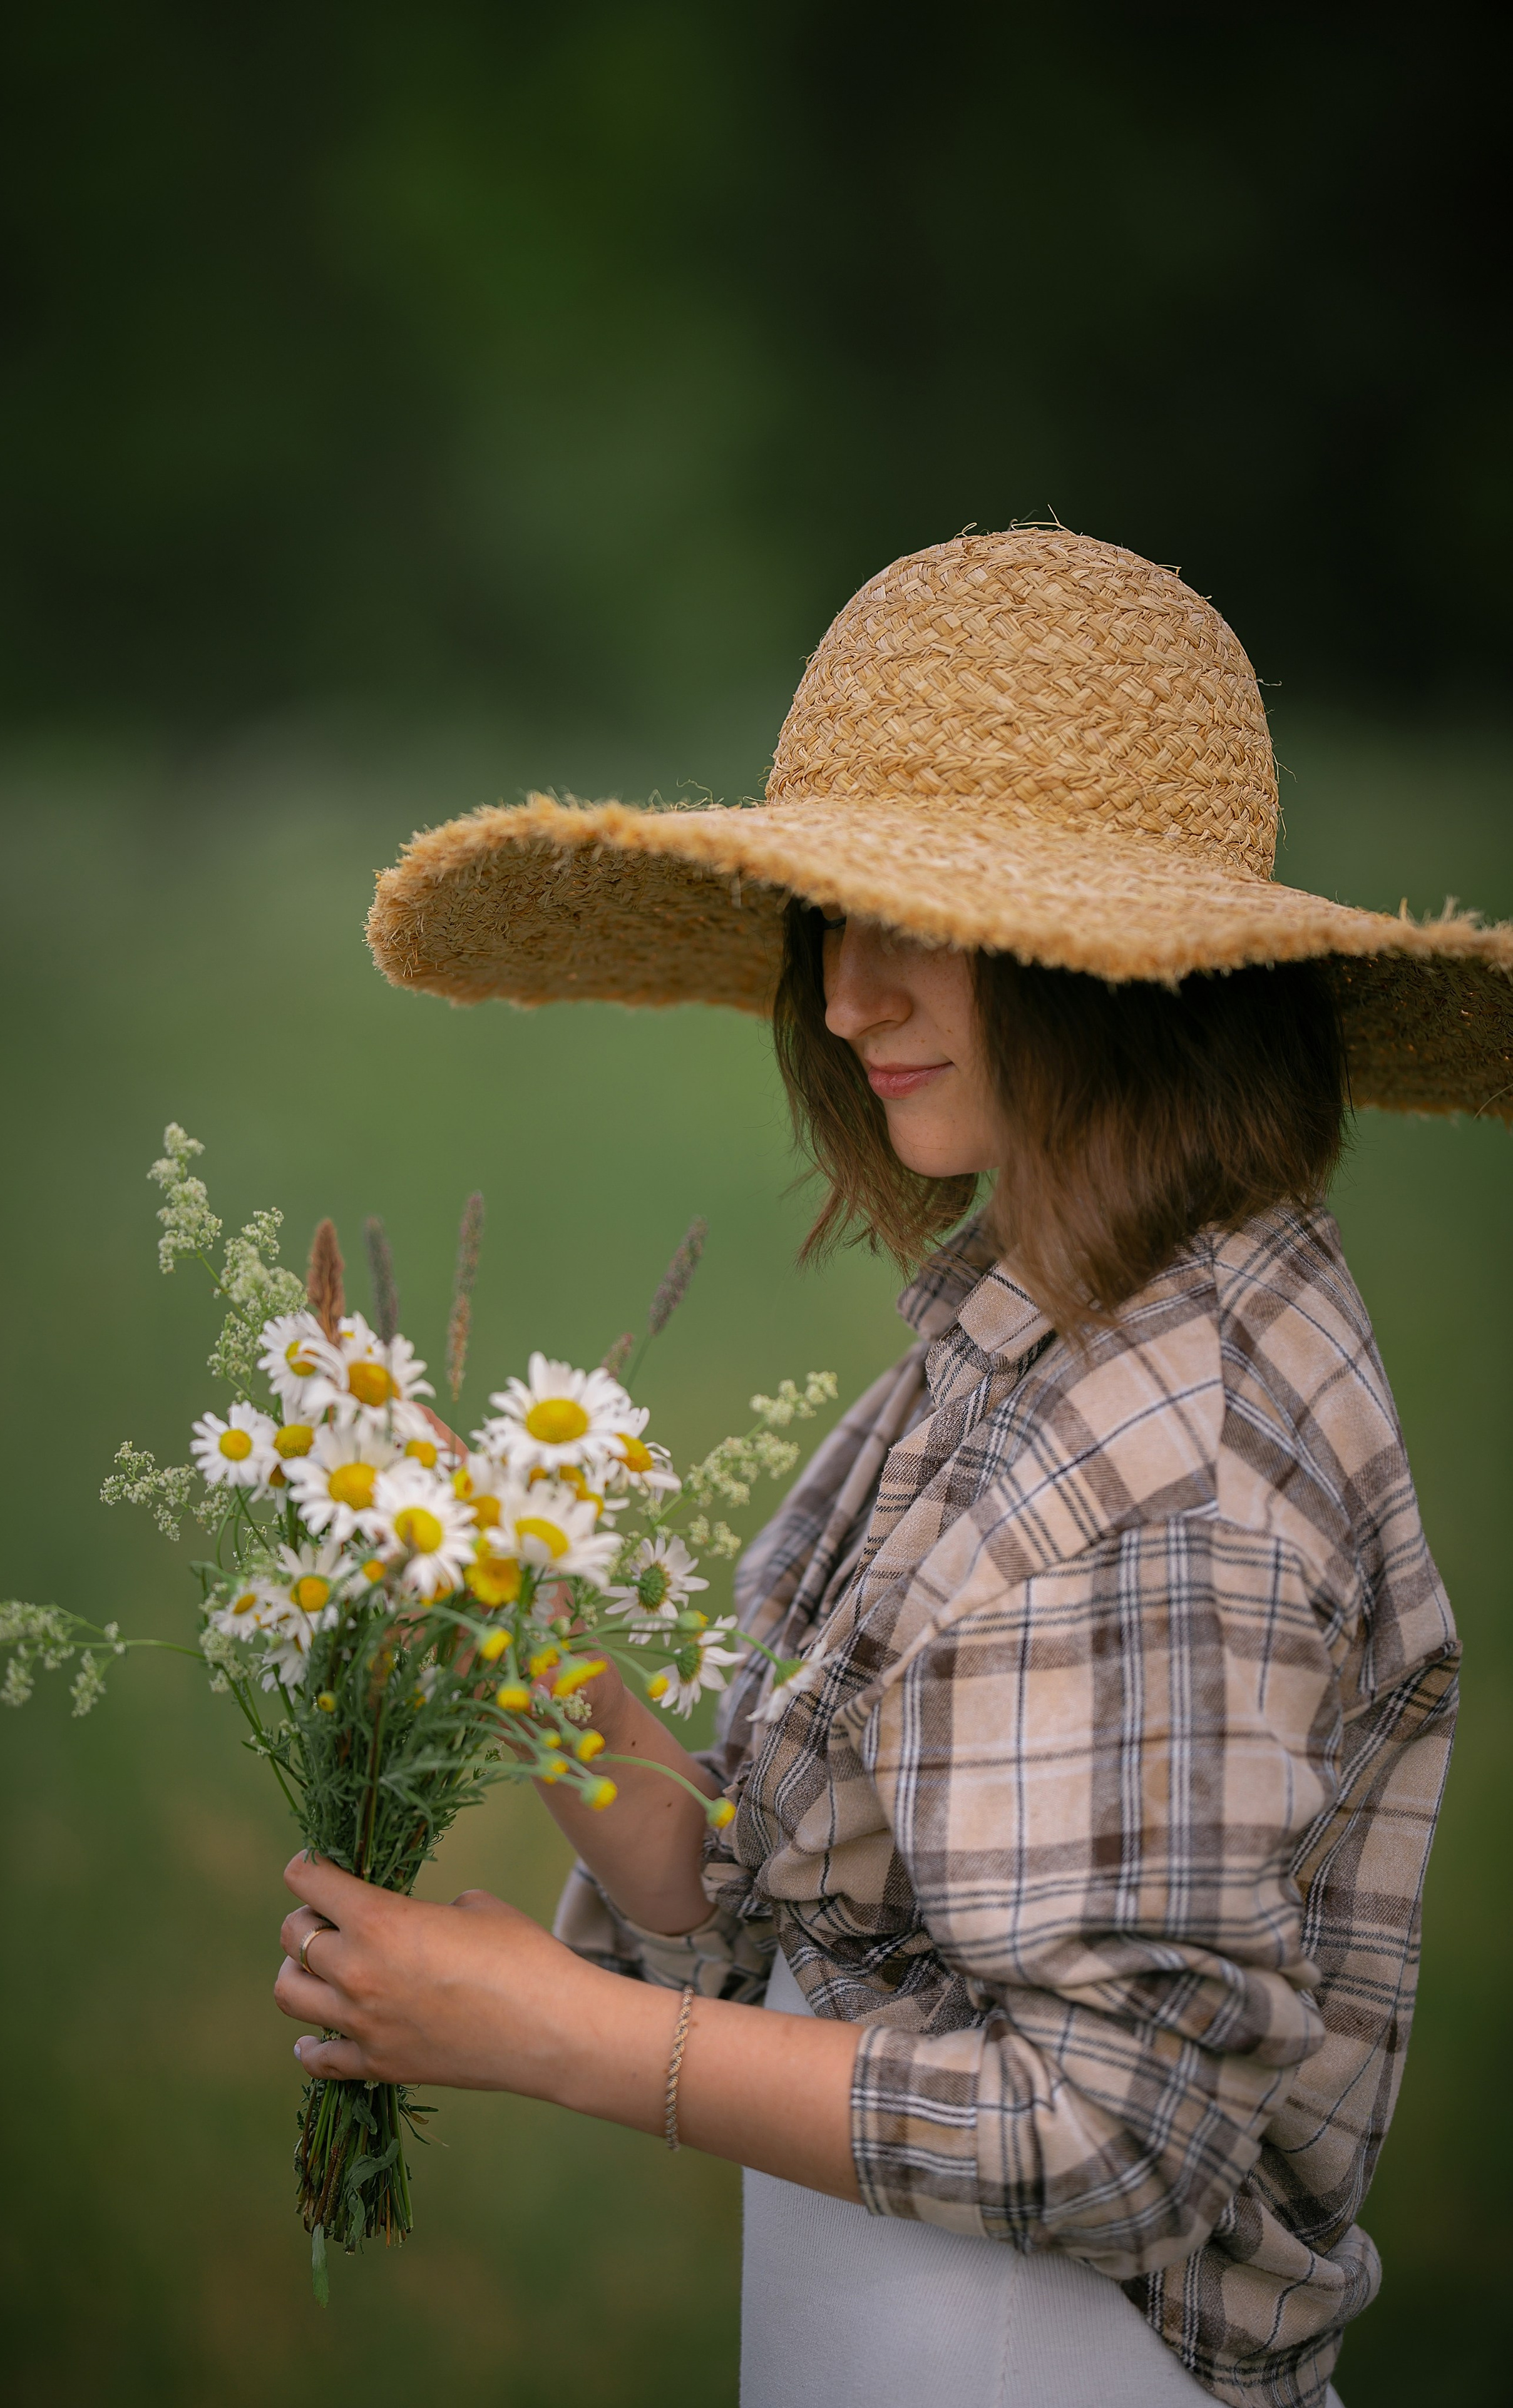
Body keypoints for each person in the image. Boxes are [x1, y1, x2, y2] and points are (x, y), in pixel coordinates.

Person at [276, 530, 1508, 2406]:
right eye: (830, 919)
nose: (843, 1001)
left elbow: (1109, 2136)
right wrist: (498, 1605)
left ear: (1122, 966)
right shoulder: (1054, 1311)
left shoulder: (1187, 1462)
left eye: (916, 921)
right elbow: (760, 1887)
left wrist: (557, 2033)